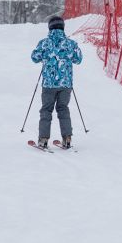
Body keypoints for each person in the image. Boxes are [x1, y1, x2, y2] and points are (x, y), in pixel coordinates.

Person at [29, 16, 84, 150]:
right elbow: (78, 59)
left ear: (50, 28)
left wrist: (44, 56)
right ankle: (67, 138)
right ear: (62, 27)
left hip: (49, 84)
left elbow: (34, 58)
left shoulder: (44, 43)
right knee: (63, 109)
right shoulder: (70, 43)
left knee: (46, 110)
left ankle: (43, 139)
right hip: (66, 84)